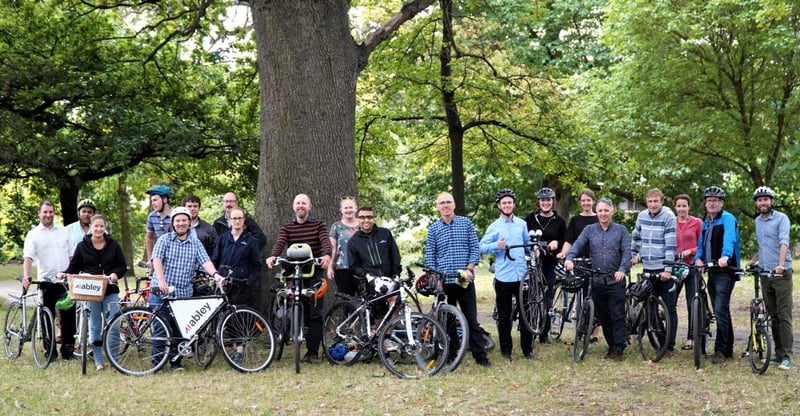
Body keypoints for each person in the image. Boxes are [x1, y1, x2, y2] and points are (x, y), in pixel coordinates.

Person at [150, 206, 225, 371]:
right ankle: (156, 364)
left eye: (184, 220)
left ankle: (176, 362)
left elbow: (205, 262)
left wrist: (216, 275)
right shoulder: (165, 239)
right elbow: (157, 260)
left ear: (189, 223)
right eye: (178, 221)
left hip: (183, 293)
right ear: (173, 223)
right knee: (161, 330)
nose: (181, 223)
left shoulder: (195, 243)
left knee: (180, 330)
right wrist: (161, 280)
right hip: (162, 290)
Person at [425, 192, 491, 367]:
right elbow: (430, 256)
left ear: (454, 205)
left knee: (471, 319)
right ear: (438, 207)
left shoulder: (466, 223)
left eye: (448, 202)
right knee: (448, 321)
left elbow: (474, 248)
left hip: (464, 280)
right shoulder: (433, 229)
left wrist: (470, 269)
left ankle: (480, 356)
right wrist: (434, 277)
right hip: (444, 282)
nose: (445, 206)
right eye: (442, 203)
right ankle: (451, 354)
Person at [265, 194, 332, 364]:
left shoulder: (319, 225)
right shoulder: (287, 227)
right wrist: (273, 256)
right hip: (293, 273)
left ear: (310, 207)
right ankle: (284, 333)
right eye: (297, 203)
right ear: (293, 207)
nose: (300, 206)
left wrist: (326, 255)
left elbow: (325, 241)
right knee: (288, 302)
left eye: (303, 203)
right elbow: (280, 242)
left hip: (313, 273)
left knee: (315, 313)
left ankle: (312, 352)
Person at [565, 197, 631, 361]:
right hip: (597, 280)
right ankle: (612, 345)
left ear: (612, 211)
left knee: (617, 314)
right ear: (597, 212)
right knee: (604, 316)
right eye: (600, 210)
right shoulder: (589, 229)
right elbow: (578, 244)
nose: (603, 213)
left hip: (615, 279)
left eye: (606, 210)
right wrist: (569, 258)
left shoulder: (621, 230)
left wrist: (622, 270)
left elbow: (626, 252)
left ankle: (619, 347)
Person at [58, 215, 127, 371]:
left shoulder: (113, 245)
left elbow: (122, 265)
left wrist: (116, 274)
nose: (98, 229)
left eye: (101, 226)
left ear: (105, 227)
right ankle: (98, 361)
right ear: (90, 227)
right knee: (94, 325)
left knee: (114, 323)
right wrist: (65, 273)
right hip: (91, 291)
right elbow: (74, 266)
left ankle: (114, 359)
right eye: (96, 226)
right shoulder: (82, 246)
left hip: (110, 289)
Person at [480, 189, 533, 361]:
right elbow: (481, 246)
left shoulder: (522, 224)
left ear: (514, 204)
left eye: (510, 202)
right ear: (499, 206)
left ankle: (527, 349)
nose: (507, 205)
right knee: (504, 315)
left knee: (526, 313)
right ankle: (506, 351)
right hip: (504, 277)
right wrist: (497, 245)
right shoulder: (494, 227)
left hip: (522, 275)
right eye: (504, 203)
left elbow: (527, 245)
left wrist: (535, 250)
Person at [22, 200, 77, 361]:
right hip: (46, 281)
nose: (48, 215)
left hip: (65, 280)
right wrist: (26, 276)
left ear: (54, 213)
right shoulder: (33, 234)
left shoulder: (64, 232)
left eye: (51, 212)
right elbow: (28, 257)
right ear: (39, 213)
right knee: (47, 317)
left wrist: (73, 273)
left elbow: (72, 255)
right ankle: (50, 352)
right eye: (45, 212)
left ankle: (68, 351)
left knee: (69, 317)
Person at [693, 185, 740, 364]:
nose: (711, 203)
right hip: (711, 271)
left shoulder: (728, 218)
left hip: (725, 271)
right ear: (705, 203)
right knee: (721, 309)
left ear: (721, 203)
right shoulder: (707, 222)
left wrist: (726, 256)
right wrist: (698, 258)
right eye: (709, 200)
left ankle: (720, 350)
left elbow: (730, 239)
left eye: (715, 200)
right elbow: (701, 245)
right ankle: (727, 348)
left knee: (720, 309)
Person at [748, 186, 793, 370]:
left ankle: (787, 356)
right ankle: (778, 353)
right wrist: (752, 261)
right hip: (765, 274)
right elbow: (764, 246)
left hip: (781, 274)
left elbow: (783, 242)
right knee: (772, 316)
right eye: (760, 200)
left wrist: (780, 265)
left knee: (783, 315)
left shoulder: (781, 218)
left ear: (771, 201)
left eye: (766, 199)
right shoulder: (758, 221)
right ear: (757, 203)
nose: (763, 203)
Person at [630, 188, 677, 357]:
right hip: (648, 268)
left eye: (656, 201)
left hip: (664, 269)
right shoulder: (642, 216)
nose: (652, 204)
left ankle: (669, 346)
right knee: (650, 306)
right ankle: (659, 341)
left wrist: (668, 269)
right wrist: (633, 256)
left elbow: (671, 244)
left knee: (669, 307)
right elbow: (636, 238)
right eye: (650, 201)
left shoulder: (668, 216)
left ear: (661, 201)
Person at [525, 187, 566, 344]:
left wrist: (558, 243)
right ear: (538, 202)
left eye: (548, 200)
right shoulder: (530, 219)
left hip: (550, 263)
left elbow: (566, 241)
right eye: (543, 200)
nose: (545, 203)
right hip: (533, 262)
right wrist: (532, 246)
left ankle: (544, 332)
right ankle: (531, 328)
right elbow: (523, 237)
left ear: (553, 202)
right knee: (531, 295)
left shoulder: (559, 221)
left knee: (547, 296)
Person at [212, 207, 263, 307]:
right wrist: (217, 277)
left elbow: (257, 266)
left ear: (244, 220)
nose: (237, 221)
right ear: (230, 220)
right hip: (223, 285)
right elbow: (215, 259)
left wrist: (249, 282)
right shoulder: (223, 238)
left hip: (241, 288)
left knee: (240, 319)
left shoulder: (251, 241)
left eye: (240, 218)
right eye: (234, 218)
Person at [673, 194, 702, 350]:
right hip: (675, 268)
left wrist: (690, 251)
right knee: (670, 302)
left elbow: (703, 245)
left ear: (689, 207)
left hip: (691, 267)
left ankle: (691, 337)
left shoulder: (696, 222)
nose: (681, 209)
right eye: (679, 206)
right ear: (675, 207)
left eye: (684, 206)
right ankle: (669, 337)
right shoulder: (671, 222)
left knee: (692, 302)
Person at [328, 196, 360, 296]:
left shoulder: (362, 224)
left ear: (355, 208)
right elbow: (333, 247)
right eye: (346, 208)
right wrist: (330, 266)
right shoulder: (336, 226)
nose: (348, 210)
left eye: (351, 207)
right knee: (347, 300)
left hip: (362, 267)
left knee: (366, 300)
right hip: (342, 268)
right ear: (341, 210)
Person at [557, 188, 598, 260]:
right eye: (583, 201)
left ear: (593, 201)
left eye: (588, 200)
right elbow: (568, 241)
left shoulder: (599, 219)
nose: (586, 203)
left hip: (596, 259)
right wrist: (563, 253)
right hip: (578, 260)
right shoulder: (574, 220)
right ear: (580, 203)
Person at [145, 184, 174, 270]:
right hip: (159, 255)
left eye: (155, 200)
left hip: (174, 255)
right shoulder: (152, 216)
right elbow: (149, 238)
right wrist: (150, 258)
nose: (153, 203)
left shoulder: (176, 216)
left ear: (165, 199)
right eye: (152, 201)